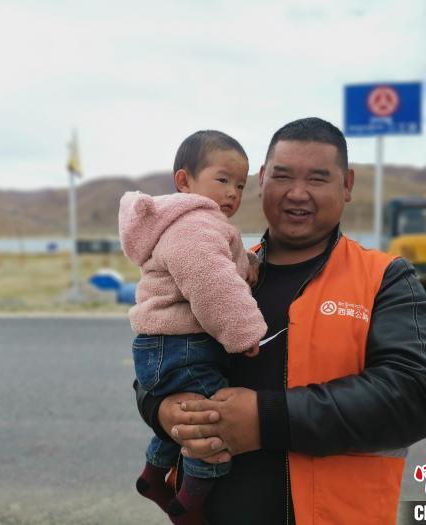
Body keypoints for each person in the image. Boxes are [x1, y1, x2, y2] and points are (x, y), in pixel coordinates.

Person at [136, 117, 426, 525]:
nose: (297, 193)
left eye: (318, 178)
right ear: (262, 179)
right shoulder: (219, 272)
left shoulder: (385, 278)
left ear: (347, 185)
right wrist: (161, 409)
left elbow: (413, 398)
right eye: (282, 176)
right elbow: (162, 353)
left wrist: (264, 419)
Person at [119, 130, 268, 524]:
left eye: (241, 185)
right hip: (182, 345)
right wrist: (243, 332)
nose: (233, 192)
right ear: (184, 180)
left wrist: (249, 264)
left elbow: (219, 263)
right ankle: (189, 504)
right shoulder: (193, 225)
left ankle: (153, 475)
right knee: (211, 424)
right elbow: (210, 282)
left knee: (186, 418)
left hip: (169, 345)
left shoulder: (196, 224)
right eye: (223, 179)